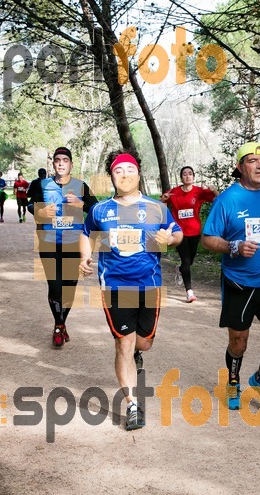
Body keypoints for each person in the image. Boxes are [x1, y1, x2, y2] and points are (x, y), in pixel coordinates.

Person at [80, 149, 182, 431]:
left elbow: (177, 232)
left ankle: (137, 353)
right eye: (118, 171)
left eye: (129, 170)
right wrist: (84, 256)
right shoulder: (100, 210)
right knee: (123, 343)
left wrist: (170, 238)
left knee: (143, 343)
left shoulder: (156, 208)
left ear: (139, 173)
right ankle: (132, 405)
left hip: (149, 284)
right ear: (111, 176)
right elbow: (85, 233)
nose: (124, 175)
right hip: (115, 286)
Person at [202, 142, 260, 412]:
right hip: (238, 282)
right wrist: (234, 247)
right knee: (238, 342)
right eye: (253, 160)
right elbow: (208, 239)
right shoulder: (228, 199)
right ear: (240, 167)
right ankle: (233, 381)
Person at [27, 149, 98, 348]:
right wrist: (40, 210)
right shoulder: (41, 184)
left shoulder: (80, 186)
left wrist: (81, 203)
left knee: (68, 288)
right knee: (55, 285)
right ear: (53, 164)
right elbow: (31, 205)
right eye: (57, 160)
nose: (60, 164)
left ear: (71, 165)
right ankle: (59, 326)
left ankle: (61, 323)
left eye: (65, 160)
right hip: (48, 242)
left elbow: (96, 209)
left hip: (74, 243)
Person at [160, 166, 218, 303]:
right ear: (181, 177)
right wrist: (163, 199)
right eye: (184, 174)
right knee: (186, 260)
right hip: (178, 233)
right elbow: (160, 203)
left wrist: (213, 189)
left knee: (189, 261)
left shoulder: (199, 192)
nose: (187, 176)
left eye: (190, 174)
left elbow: (218, 198)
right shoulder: (174, 192)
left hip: (194, 231)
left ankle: (179, 269)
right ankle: (189, 292)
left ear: (193, 177)